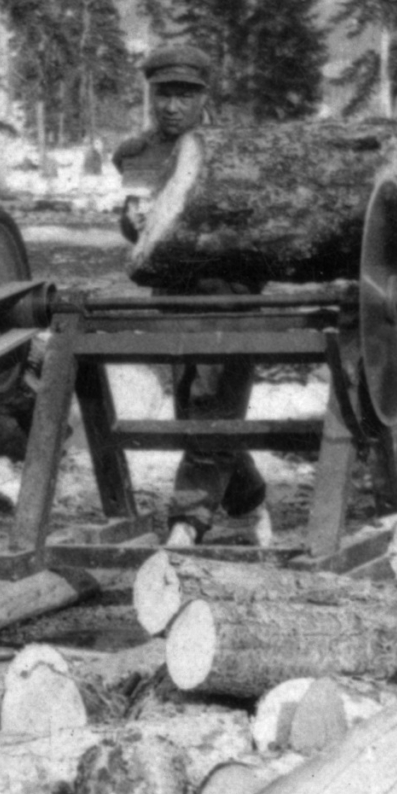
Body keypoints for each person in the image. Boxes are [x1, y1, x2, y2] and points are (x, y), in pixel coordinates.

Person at [113, 41, 267, 540]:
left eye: (184, 95)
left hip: (230, 300)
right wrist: (131, 223)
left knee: (211, 409)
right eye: (163, 94)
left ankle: (187, 521)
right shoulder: (138, 155)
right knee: (191, 415)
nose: (172, 106)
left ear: (204, 97)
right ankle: (247, 502)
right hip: (174, 300)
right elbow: (138, 232)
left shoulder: (235, 154)